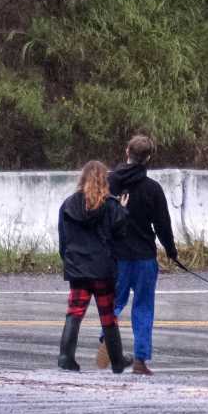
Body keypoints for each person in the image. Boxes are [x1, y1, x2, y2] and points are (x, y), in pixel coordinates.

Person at [107, 133, 179, 376]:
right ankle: (140, 360)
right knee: (143, 307)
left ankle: (106, 341)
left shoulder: (110, 183)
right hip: (144, 256)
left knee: (114, 303)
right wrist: (171, 251)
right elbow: (162, 224)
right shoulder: (153, 189)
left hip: (116, 255)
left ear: (127, 151)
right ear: (148, 158)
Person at [57, 160, 128, 373]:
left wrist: (69, 261)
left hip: (78, 269)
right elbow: (120, 235)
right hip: (103, 270)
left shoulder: (68, 204)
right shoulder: (112, 205)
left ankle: (65, 357)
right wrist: (124, 211)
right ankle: (117, 361)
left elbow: (63, 240)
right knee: (108, 316)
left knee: (74, 313)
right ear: (104, 179)